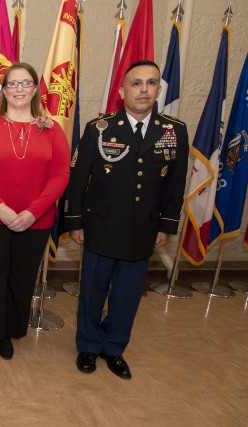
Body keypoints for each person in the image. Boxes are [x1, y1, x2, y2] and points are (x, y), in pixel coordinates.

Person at [64, 60, 189, 379]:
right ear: (122, 91)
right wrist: (75, 222)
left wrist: (166, 225)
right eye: (136, 83)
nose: (144, 89)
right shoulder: (100, 128)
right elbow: (78, 179)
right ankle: (89, 346)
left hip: (143, 228)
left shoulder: (174, 131)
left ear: (159, 89)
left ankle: (114, 348)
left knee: (127, 296)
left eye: (150, 83)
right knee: (93, 291)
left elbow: (175, 183)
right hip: (101, 225)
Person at [0, 62, 71, 363]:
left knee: (21, 278)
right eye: (13, 83)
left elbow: (61, 175)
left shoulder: (51, 130)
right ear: (4, 90)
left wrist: (32, 213)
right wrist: (1, 209)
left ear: (35, 88)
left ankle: (9, 332)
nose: (19, 89)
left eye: (25, 83)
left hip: (35, 221)